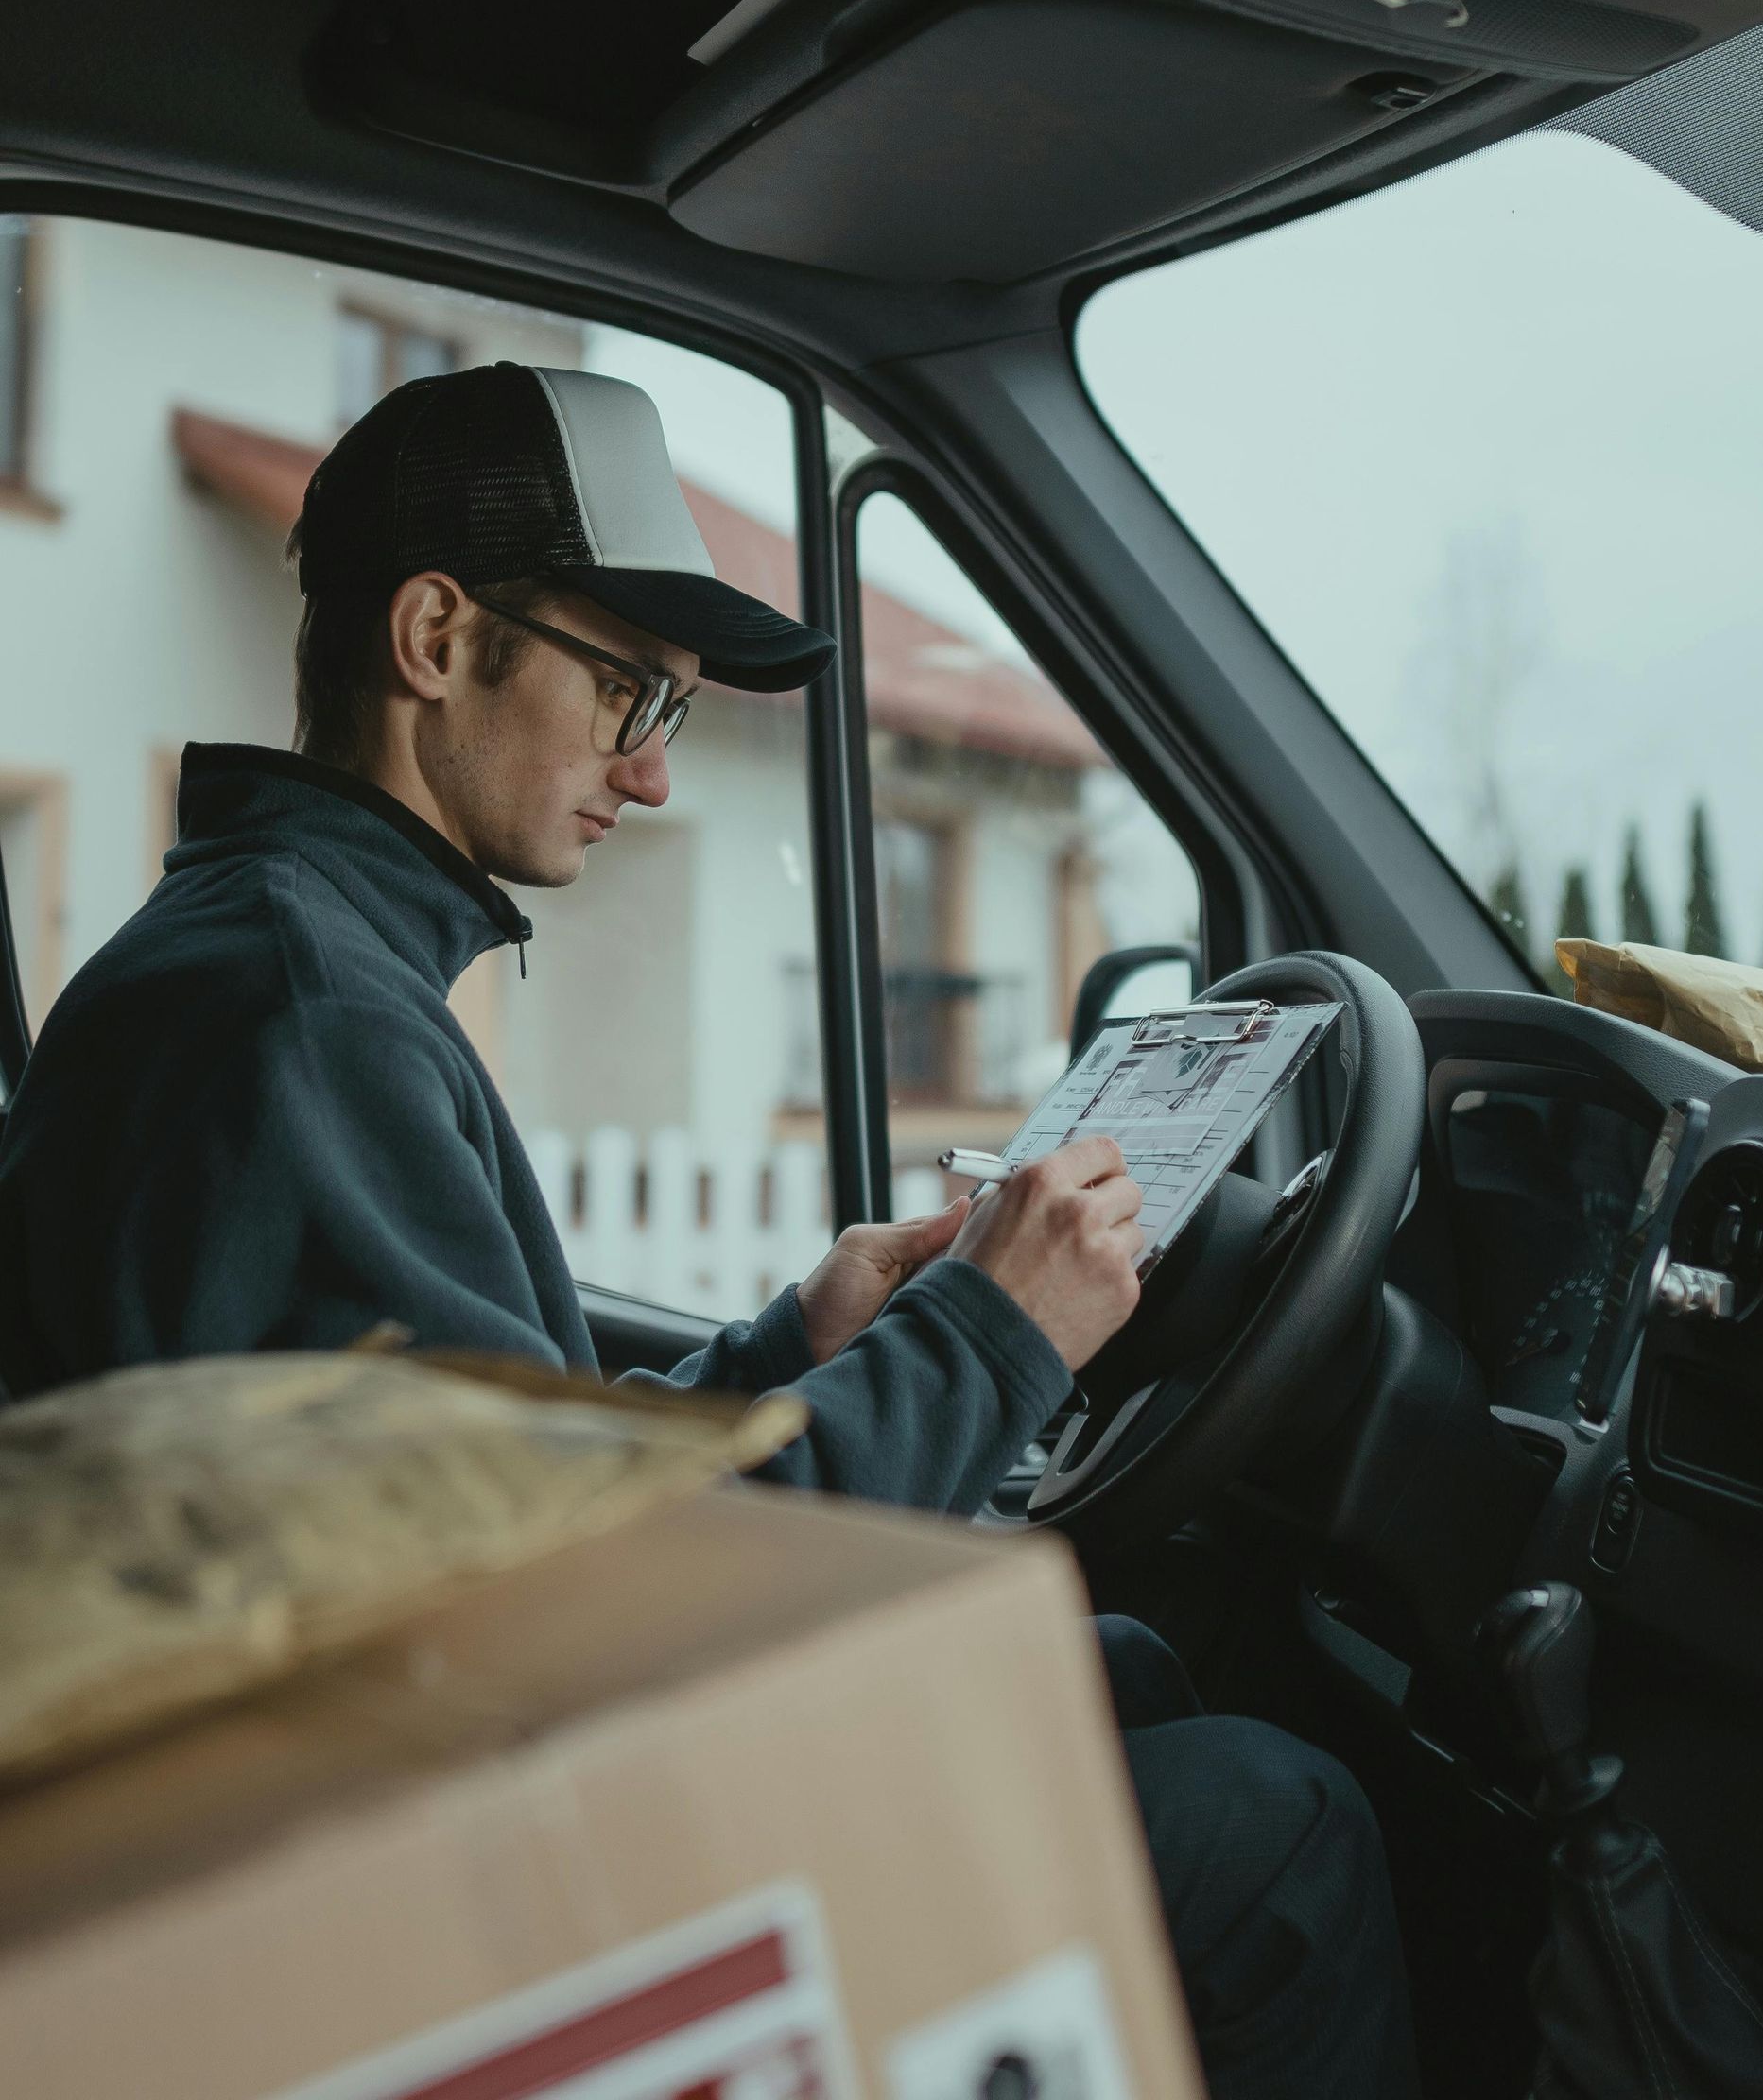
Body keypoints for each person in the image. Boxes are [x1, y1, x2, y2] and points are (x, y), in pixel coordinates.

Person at [0, 360, 1418, 2099]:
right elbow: (583, 1630)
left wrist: (790, 1350)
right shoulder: (305, 1020)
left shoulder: (291, 956)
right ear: (437, 639)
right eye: (629, 697)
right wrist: (991, 1337)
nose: (652, 778)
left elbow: (467, 1506)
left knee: (1111, 1664)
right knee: (1286, 1828)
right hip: (454, 1884)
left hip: (416, 1754)